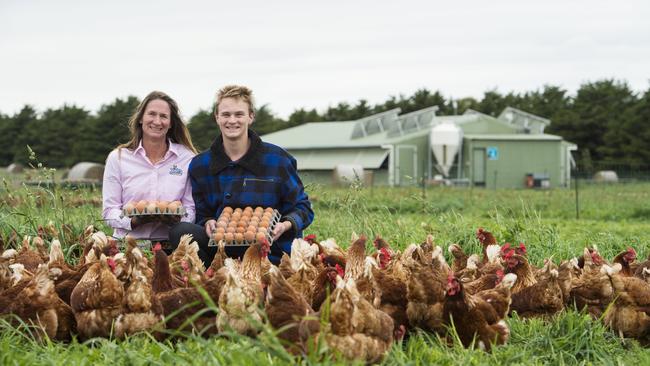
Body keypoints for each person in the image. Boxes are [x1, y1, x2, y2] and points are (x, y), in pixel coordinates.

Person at [170, 85, 313, 266]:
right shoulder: (201, 165)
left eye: (239, 114)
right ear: (217, 117)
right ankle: (211, 277)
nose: (232, 120)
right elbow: (202, 211)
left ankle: (262, 275)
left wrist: (285, 224)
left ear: (250, 117)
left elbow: (303, 208)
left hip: (269, 249)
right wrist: (207, 222)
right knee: (181, 232)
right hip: (222, 248)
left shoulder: (277, 160)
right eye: (226, 114)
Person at [102, 91, 197, 244]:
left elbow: (191, 208)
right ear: (141, 118)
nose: (157, 121)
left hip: (171, 244)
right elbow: (109, 211)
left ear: (171, 122)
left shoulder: (186, 158)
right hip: (128, 245)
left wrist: (178, 220)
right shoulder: (118, 158)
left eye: (164, 116)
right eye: (152, 114)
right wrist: (132, 222)